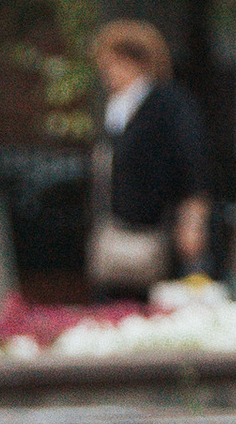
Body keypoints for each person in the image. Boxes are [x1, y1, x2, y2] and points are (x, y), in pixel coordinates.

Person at [87, 22, 214, 298]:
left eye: (111, 63)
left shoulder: (170, 105)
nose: (105, 72)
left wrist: (193, 220)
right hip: (118, 238)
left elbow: (193, 163)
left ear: (134, 62)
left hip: (159, 237)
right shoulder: (116, 110)